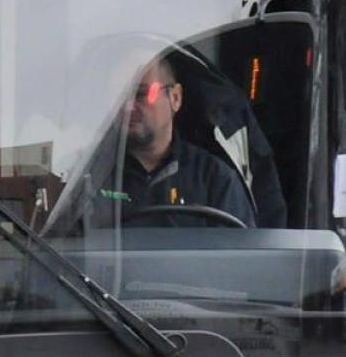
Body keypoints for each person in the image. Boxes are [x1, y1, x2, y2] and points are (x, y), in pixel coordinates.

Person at [86, 54, 255, 227]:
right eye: (119, 96)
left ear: (175, 98)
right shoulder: (89, 174)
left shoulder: (216, 179)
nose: (128, 106)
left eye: (142, 93)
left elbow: (239, 250)